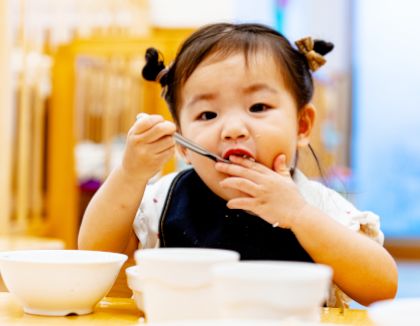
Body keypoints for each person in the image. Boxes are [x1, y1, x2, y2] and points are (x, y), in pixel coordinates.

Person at [78, 23, 397, 307]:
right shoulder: (164, 198)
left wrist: (299, 216)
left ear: (301, 125)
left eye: (258, 107)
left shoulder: (317, 206)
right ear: (183, 144)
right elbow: (96, 253)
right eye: (207, 115)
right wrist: (129, 174)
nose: (232, 128)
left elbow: (381, 289)